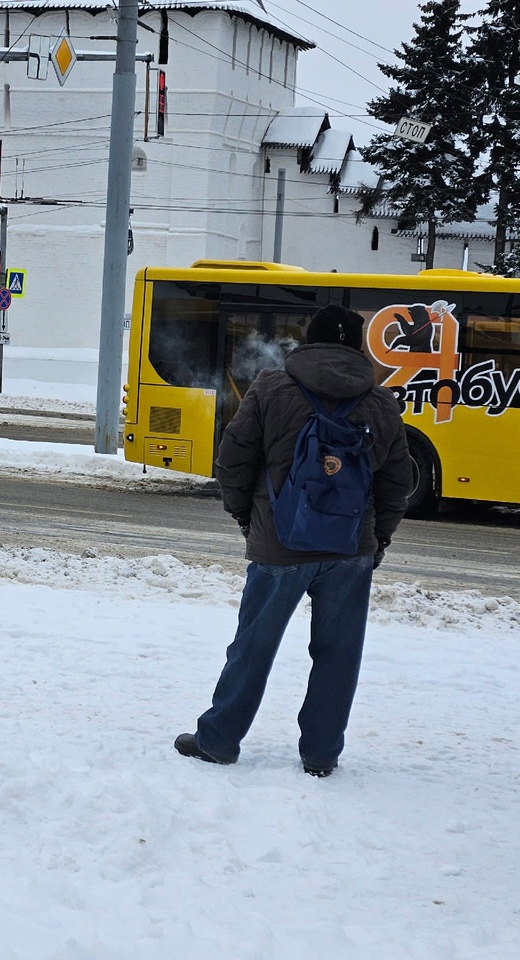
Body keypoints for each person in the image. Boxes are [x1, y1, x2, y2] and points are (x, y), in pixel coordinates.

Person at [175, 304, 413, 777]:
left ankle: (219, 740)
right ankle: (321, 754)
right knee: (338, 655)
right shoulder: (382, 403)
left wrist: (247, 520)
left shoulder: (271, 387)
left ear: (310, 340)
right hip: (350, 550)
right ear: (357, 347)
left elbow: (233, 461)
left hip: (279, 544)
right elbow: (397, 484)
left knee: (253, 646)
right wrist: (377, 539)